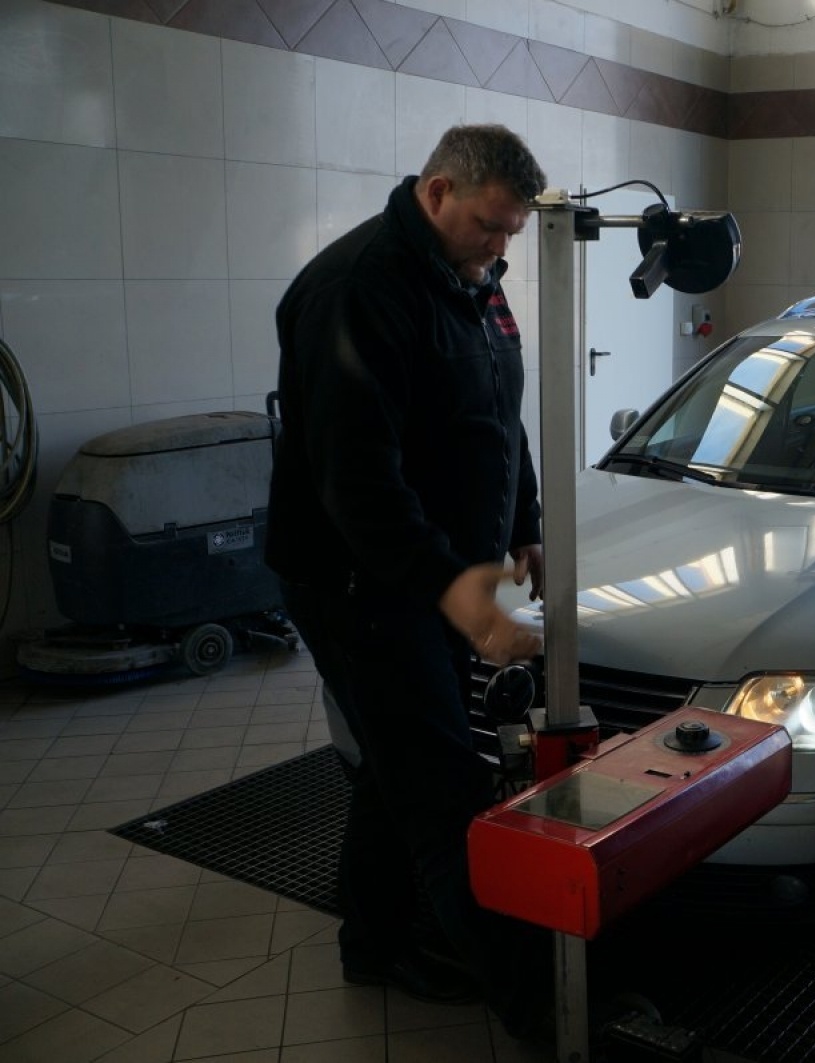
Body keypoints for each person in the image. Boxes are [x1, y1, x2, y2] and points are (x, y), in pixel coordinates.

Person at [265, 124, 550, 1039]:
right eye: (488, 226)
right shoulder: (361, 289)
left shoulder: (470, 281)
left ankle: (374, 941)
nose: (500, 247)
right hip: (362, 583)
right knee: (436, 780)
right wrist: (454, 588)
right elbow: (359, 483)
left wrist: (523, 526)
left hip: (437, 574)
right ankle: (538, 1007)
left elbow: (499, 413)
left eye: (512, 232)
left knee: (394, 761)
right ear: (435, 193)